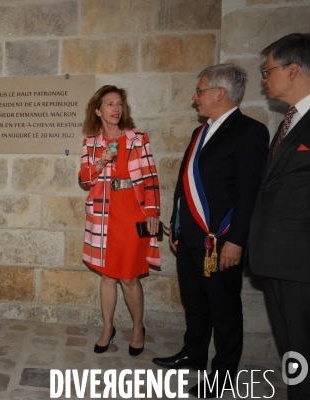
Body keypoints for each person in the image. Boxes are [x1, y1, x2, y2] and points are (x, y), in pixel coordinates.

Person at [151, 63, 269, 398]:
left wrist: (237, 242)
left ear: (220, 93)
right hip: (190, 238)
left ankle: (223, 376)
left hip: (220, 241)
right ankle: (193, 353)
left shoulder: (249, 131)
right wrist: (175, 226)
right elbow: (184, 184)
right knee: (196, 302)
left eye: (199, 90)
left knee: (224, 309)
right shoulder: (201, 131)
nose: (194, 97)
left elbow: (249, 194)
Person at [248, 33, 310, 400]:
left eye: (267, 70)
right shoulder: (290, 120)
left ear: (293, 70)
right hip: (276, 261)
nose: (263, 78)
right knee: (293, 352)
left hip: (301, 263)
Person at [79, 85, 161, 357]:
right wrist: (100, 162)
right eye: (110, 104)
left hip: (131, 212)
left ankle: (138, 328)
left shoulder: (138, 138)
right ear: (98, 111)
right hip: (103, 214)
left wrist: (153, 212)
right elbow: (84, 179)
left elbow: (150, 177)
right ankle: (108, 328)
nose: (116, 109)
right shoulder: (90, 142)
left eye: (119, 104)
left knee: (128, 277)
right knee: (107, 277)